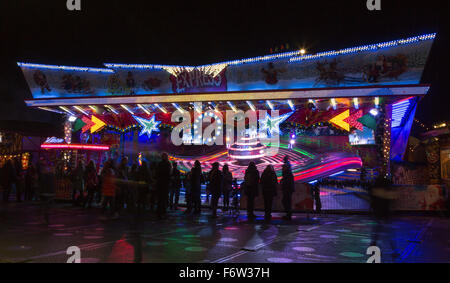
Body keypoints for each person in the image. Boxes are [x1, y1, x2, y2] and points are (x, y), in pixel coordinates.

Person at [38, 160, 56, 224]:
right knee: (48, 206)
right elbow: (53, 185)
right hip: (50, 193)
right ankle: (47, 218)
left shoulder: (44, 175)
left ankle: (45, 218)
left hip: (45, 192)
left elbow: (41, 184)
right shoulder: (52, 176)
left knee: (45, 206)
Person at [156, 153, 172, 218]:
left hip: (161, 182)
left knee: (161, 198)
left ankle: (160, 211)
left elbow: (158, 172)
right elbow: (169, 173)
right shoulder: (168, 164)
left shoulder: (161, 164)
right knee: (163, 197)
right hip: (165, 183)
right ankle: (162, 211)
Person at [281, 155, 294, 220]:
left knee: (286, 201)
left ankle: (288, 214)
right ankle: (288, 214)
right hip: (288, 189)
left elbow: (287, 183)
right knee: (286, 201)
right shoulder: (289, 174)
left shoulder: (287, 175)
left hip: (287, 189)